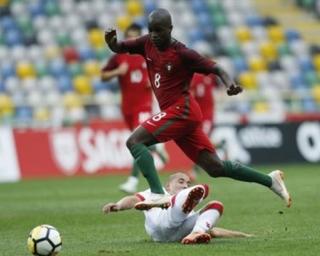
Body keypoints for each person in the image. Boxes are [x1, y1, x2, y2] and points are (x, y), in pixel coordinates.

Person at [104, 8, 291, 210]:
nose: (155, 35)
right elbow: (120, 47)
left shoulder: (183, 53)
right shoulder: (147, 42)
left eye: (159, 30)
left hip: (182, 111)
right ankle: (270, 180)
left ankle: (157, 194)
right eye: (151, 30)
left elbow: (216, 68)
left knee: (134, 141)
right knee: (215, 167)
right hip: (178, 114)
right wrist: (112, 43)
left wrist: (229, 84)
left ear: (170, 29)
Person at [101, 23, 168, 193]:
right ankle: (156, 147)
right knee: (140, 142)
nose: (132, 38)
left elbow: (165, 72)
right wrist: (117, 72)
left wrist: (153, 81)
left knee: (137, 140)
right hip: (127, 107)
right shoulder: (119, 56)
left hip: (144, 105)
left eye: (135, 36)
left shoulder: (149, 54)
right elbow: (103, 76)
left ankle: (132, 181)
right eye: (129, 35)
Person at [102, 172, 253, 244]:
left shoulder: (188, 206)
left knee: (216, 205)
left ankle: (196, 233)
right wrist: (118, 205)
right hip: (159, 227)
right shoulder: (156, 191)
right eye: (181, 182)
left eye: (187, 184)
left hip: (178, 234)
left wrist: (244, 236)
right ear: (168, 185)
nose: (185, 185)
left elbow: (213, 231)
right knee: (201, 189)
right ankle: (167, 202)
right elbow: (134, 199)